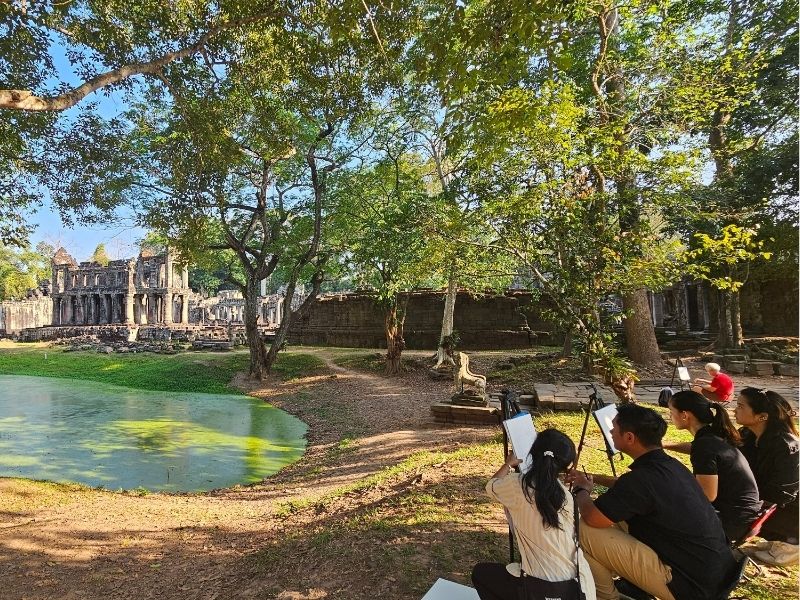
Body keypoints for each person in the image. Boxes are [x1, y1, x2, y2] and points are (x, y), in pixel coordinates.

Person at [566, 403, 736, 600]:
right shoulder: (671, 465)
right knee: (615, 522)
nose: (610, 432)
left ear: (629, 437)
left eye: (614, 428)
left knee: (582, 529)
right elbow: (627, 491)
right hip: (714, 572)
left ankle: (606, 597)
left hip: (689, 586)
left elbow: (594, 518)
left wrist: (581, 490)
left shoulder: (641, 480)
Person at [472, 429, 596, 600]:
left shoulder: (517, 486)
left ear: (532, 453)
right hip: (581, 588)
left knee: (481, 573)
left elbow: (491, 486)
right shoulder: (567, 497)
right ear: (565, 466)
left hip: (541, 589)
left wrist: (508, 464)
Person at [664, 390, 761, 541]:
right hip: (745, 516)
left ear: (685, 415)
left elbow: (707, 495)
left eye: (671, 411)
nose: (670, 416)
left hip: (731, 523)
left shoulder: (705, 446)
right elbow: (695, 447)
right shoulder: (712, 434)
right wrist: (664, 445)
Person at [734, 387, 799, 565]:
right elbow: (718, 450)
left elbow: (785, 492)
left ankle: (791, 542)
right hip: (760, 499)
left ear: (762, 416)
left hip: (788, 510)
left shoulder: (786, 446)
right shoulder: (747, 435)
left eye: (740, 406)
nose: (734, 409)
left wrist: (749, 506)